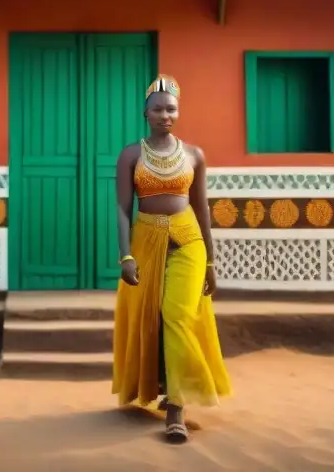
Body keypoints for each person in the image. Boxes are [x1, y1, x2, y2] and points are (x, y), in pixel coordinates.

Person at [112, 74, 232, 443]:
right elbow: (121, 206)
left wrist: (211, 260)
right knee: (151, 317)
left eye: (172, 109)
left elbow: (202, 207)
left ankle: (177, 408)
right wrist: (126, 255)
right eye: (159, 109)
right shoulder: (131, 154)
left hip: (188, 239)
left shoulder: (194, 154)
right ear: (146, 113)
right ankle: (165, 385)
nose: (166, 115)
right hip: (146, 240)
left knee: (177, 314)